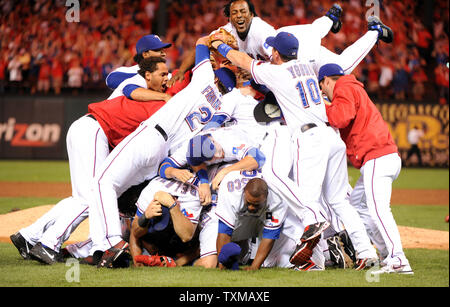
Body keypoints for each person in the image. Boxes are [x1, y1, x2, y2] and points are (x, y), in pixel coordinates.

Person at [210, 31, 378, 270]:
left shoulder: (277, 72)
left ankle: (317, 252)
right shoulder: (307, 66)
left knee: (308, 204)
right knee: (339, 201)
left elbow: (245, 62)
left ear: (277, 53)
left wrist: (220, 46)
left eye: (272, 50)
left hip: (309, 137)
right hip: (331, 136)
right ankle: (365, 252)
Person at [87, 36, 232, 268]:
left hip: (151, 134)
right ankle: (100, 245)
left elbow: (201, 42)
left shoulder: (204, 80)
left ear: (215, 78)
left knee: (101, 183)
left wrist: (216, 39)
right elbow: (195, 153)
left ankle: (112, 244)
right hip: (162, 155)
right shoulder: (221, 108)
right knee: (113, 189)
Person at [9, 57, 171, 264]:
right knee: (93, 195)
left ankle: (28, 236)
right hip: (95, 130)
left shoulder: (150, 87)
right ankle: (49, 244)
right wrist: (165, 97)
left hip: (86, 127)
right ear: (147, 70)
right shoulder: (138, 81)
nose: (167, 77)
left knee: (82, 197)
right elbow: (125, 86)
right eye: (163, 72)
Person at [319, 63, 414, 275]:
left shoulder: (343, 86)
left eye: (322, 87)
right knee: (357, 206)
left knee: (379, 209)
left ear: (326, 80)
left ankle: (398, 258)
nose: (323, 92)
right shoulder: (353, 87)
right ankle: (386, 254)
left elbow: (339, 118)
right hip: (382, 157)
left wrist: (321, 106)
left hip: (376, 158)